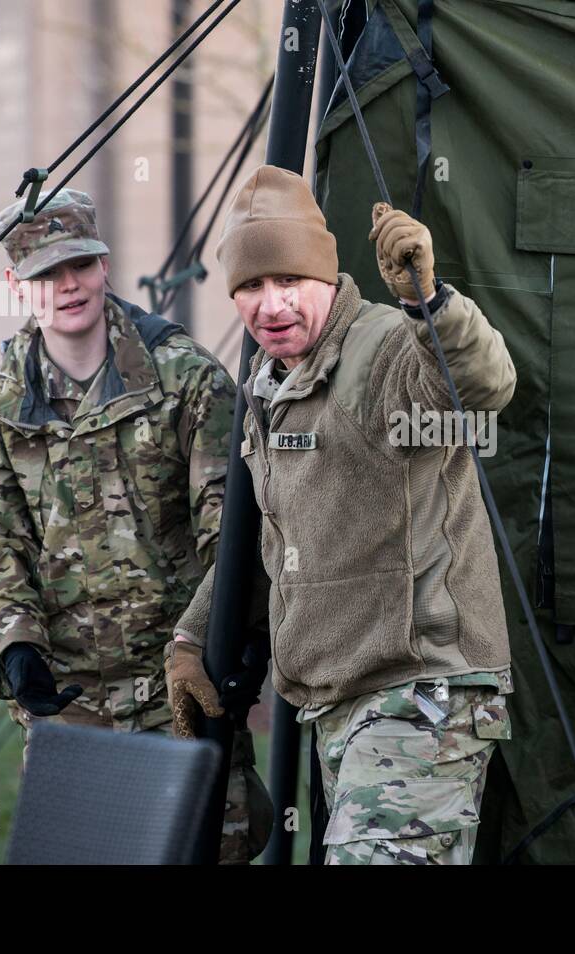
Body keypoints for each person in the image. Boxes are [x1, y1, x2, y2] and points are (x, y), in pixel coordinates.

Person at [169, 165, 517, 865]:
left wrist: (430, 303)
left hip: (420, 695)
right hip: (341, 707)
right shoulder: (271, 386)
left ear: (328, 279)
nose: (272, 304)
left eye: (289, 281)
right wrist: (193, 637)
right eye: (251, 287)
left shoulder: (385, 348)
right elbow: (282, 536)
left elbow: (481, 386)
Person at [0, 187, 272, 863]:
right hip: (71, 704)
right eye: (46, 274)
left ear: (104, 263)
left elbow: (234, 529)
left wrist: (227, 643)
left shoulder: (184, 379)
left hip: (179, 689)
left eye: (79, 266)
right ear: (16, 285)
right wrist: (12, 645)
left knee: (211, 853)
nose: (68, 286)